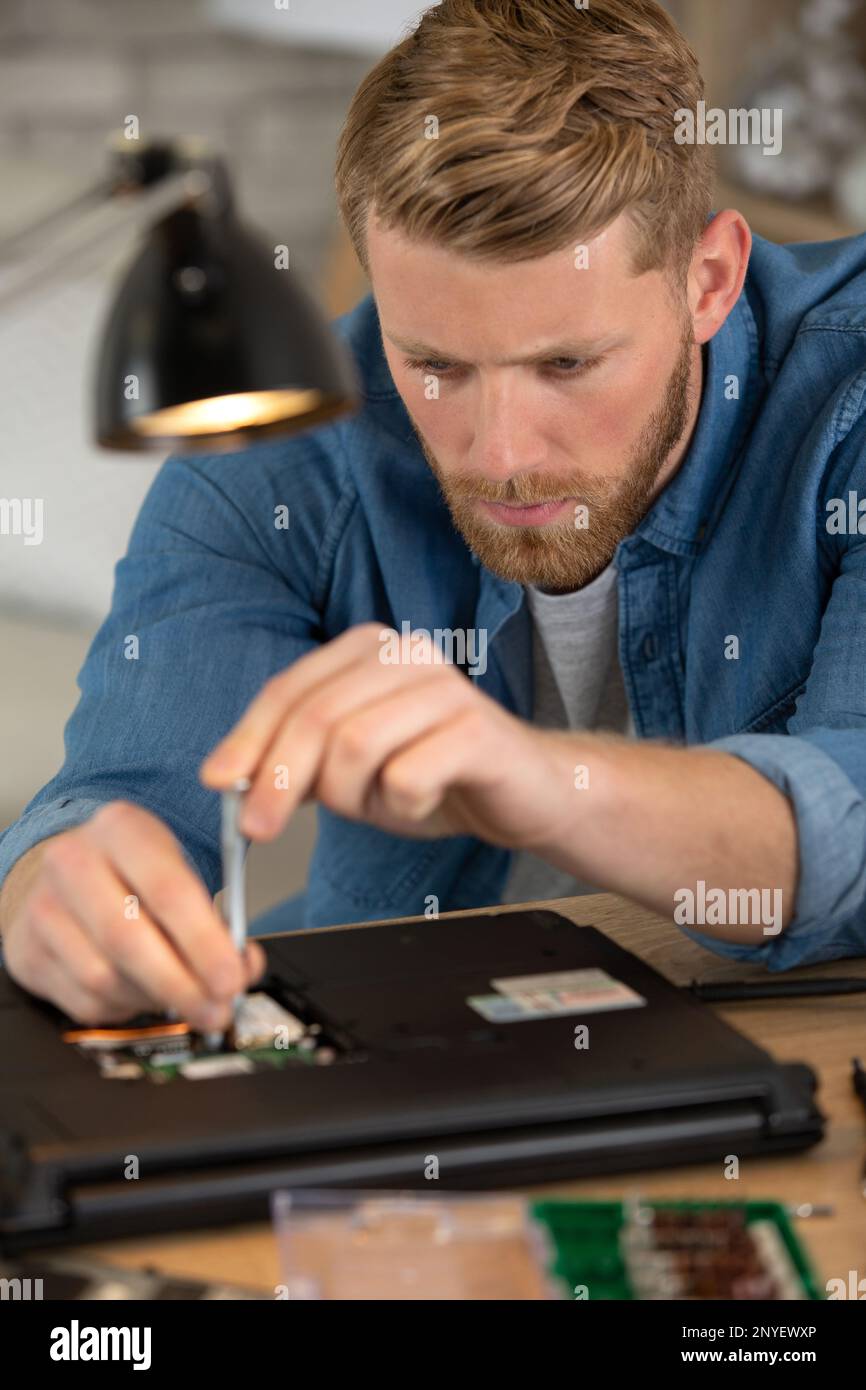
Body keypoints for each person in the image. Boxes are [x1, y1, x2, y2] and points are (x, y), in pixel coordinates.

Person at [1, 0, 865, 1033]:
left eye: (565, 364)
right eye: (436, 366)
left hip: (785, 1046)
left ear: (707, 280)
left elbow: (847, 827)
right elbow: (116, 799)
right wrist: (60, 892)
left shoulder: (845, 402)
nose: (498, 457)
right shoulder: (284, 447)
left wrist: (531, 776)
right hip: (403, 1053)